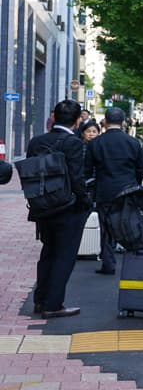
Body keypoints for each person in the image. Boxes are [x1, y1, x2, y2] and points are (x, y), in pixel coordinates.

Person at [26, 100, 89, 318]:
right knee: (64, 256)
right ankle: (53, 305)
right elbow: (76, 178)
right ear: (78, 119)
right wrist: (85, 201)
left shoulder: (36, 141)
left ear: (54, 117)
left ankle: (40, 300)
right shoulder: (73, 143)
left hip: (42, 206)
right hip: (67, 207)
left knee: (48, 252)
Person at [85, 107, 143, 274]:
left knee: (106, 227)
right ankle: (134, 262)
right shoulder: (133, 143)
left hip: (105, 190)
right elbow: (139, 169)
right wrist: (136, 185)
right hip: (128, 189)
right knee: (128, 224)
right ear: (123, 122)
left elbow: (87, 170)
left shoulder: (96, 142)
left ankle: (108, 263)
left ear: (105, 121)